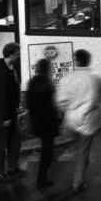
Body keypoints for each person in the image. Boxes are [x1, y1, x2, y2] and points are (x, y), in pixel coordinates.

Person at [58, 49, 101, 194]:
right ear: (88, 60)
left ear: (76, 61)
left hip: (71, 119)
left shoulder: (67, 78)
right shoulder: (96, 79)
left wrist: (65, 109)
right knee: (83, 151)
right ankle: (77, 182)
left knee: (75, 142)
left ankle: (78, 159)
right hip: (87, 120)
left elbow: (60, 100)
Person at [0, 42, 23, 185]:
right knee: (0, 144)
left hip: (10, 112)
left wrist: (16, 106)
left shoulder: (10, 68)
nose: (19, 56)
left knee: (15, 140)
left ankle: (12, 167)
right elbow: (1, 97)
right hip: (3, 114)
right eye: (17, 54)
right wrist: (4, 118)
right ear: (11, 54)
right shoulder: (2, 73)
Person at [26, 58, 62, 188]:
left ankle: (41, 177)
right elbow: (53, 105)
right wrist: (59, 118)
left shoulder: (32, 82)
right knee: (48, 150)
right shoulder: (48, 84)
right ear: (47, 69)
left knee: (45, 148)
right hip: (48, 122)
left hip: (36, 121)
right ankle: (41, 178)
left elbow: (29, 103)